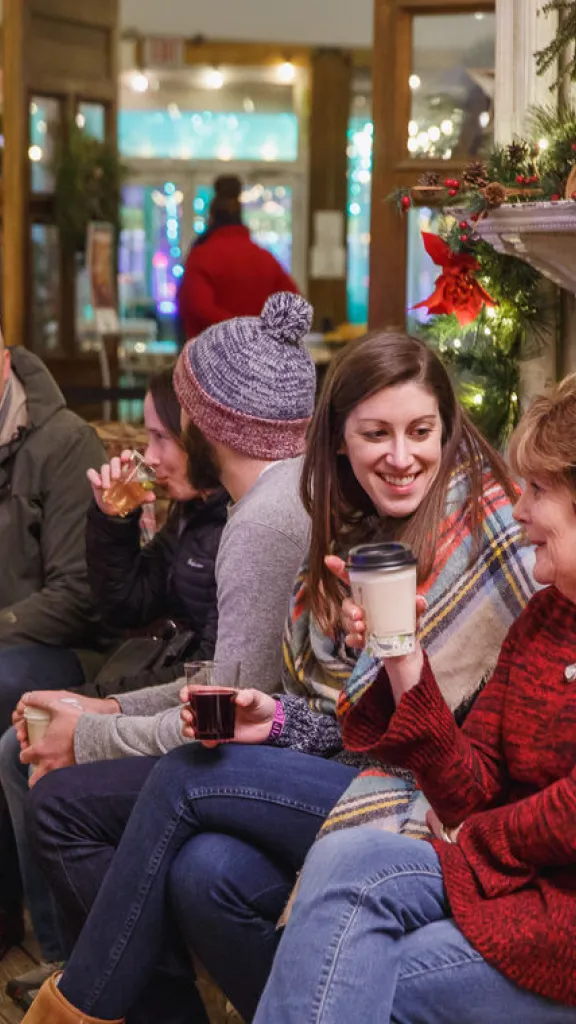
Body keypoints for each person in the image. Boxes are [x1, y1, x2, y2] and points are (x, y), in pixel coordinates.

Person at [23, 331, 536, 1024]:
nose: (401, 455)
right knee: (206, 872)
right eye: (376, 434)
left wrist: (386, 665)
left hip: (436, 805)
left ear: (446, 429)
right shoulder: (351, 524)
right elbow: (341, 719)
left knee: (185, 776)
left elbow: (449, 749)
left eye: (421, 431)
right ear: (339, 441)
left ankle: (73, 1009)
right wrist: (280, 719)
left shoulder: (488, 532)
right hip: (356, 771)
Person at [253, 375, 576, 1023]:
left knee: (356, 977)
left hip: (556, 918)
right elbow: (469, 786)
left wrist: (473, 837)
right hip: (511, 883)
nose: (518, 510)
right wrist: (404, 659)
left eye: (538, 491)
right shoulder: (545, 619)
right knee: (345, 856)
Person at [0, 367, 229, 1004]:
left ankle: (85, 963)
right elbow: (129, 603)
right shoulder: (194, 513)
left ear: (205, 435)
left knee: (30, 751)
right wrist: (113, 523)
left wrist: (102, 709)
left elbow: (215, 670)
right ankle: (67, 955)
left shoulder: (242, 523)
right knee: (24, 740)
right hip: (157, 677)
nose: (147, 456)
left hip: (192, 707)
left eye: (161, 438)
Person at [0, 333, 108, 959]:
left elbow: (77, 598)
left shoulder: (65, 443)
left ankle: (45, 944)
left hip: (80, 652)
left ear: (4, 363)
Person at [178, 175, 300, 339]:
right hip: (260, 351)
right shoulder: (265, 259)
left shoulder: (201, 256)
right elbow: (293, 305)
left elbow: (197, 307)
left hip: (213, 350)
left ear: (211, 217)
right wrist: (261, 333)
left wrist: (239, 332)